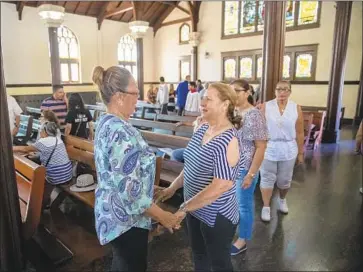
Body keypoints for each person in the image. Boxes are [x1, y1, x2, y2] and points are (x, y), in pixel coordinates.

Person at [91, 65, 180, 272]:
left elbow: (119, 173)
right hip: (126, 220)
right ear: (119, 96)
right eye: (135, 93)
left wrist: (149, 188)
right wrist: (164, 216)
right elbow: (131, 193)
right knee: (131, 265)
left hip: (111, 212)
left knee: (122, 263)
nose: (138, 99)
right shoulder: (121, 132)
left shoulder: (106, 122)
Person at [156, 83, 241, 271]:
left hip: (217, 215)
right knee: (198, 255)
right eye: (203, 98)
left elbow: (221, 185)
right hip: (194, 209)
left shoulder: (229, 139)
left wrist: (184, 208)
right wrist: (173, 188)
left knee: (219, 263)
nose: (202, 102)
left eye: (208, 99)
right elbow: (191, 165)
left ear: (225, 105)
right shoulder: (202, 129)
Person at [229, 79, 268, 255]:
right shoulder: (232, 111)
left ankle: (243, 239)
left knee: (243, 205)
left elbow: (261, 147)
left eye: (237, 91)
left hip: (245, 167)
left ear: (247, 92)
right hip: (229, 165)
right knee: (232, 203)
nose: (233, 94)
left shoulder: (255, 115)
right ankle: (233, 232)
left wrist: (251, 174)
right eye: (231, 91)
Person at [259, 81, 304, 222]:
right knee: (266, 177)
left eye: (285, 90)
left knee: (285, 179)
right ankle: (266, 206)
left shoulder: (296, 108)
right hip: (269, 146)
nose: (282, 92)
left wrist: (301, 153)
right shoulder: (266, 106)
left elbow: (300, 132)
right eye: (279, 89)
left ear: (290, 92)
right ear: (275, 91)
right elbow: (259, 129)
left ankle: (282, 199)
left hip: (288, 148)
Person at [13, 122, 72, 206]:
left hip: (56, 176)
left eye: (40, 130)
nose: (40, 132)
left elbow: (25, 149)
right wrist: (37, 156)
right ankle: (46, 199)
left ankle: (42, 203)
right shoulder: (57, 139)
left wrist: (10, 147)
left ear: (45, 131)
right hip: (67, 173)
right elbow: (50, 153)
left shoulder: (43, 141)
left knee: (38, 180)